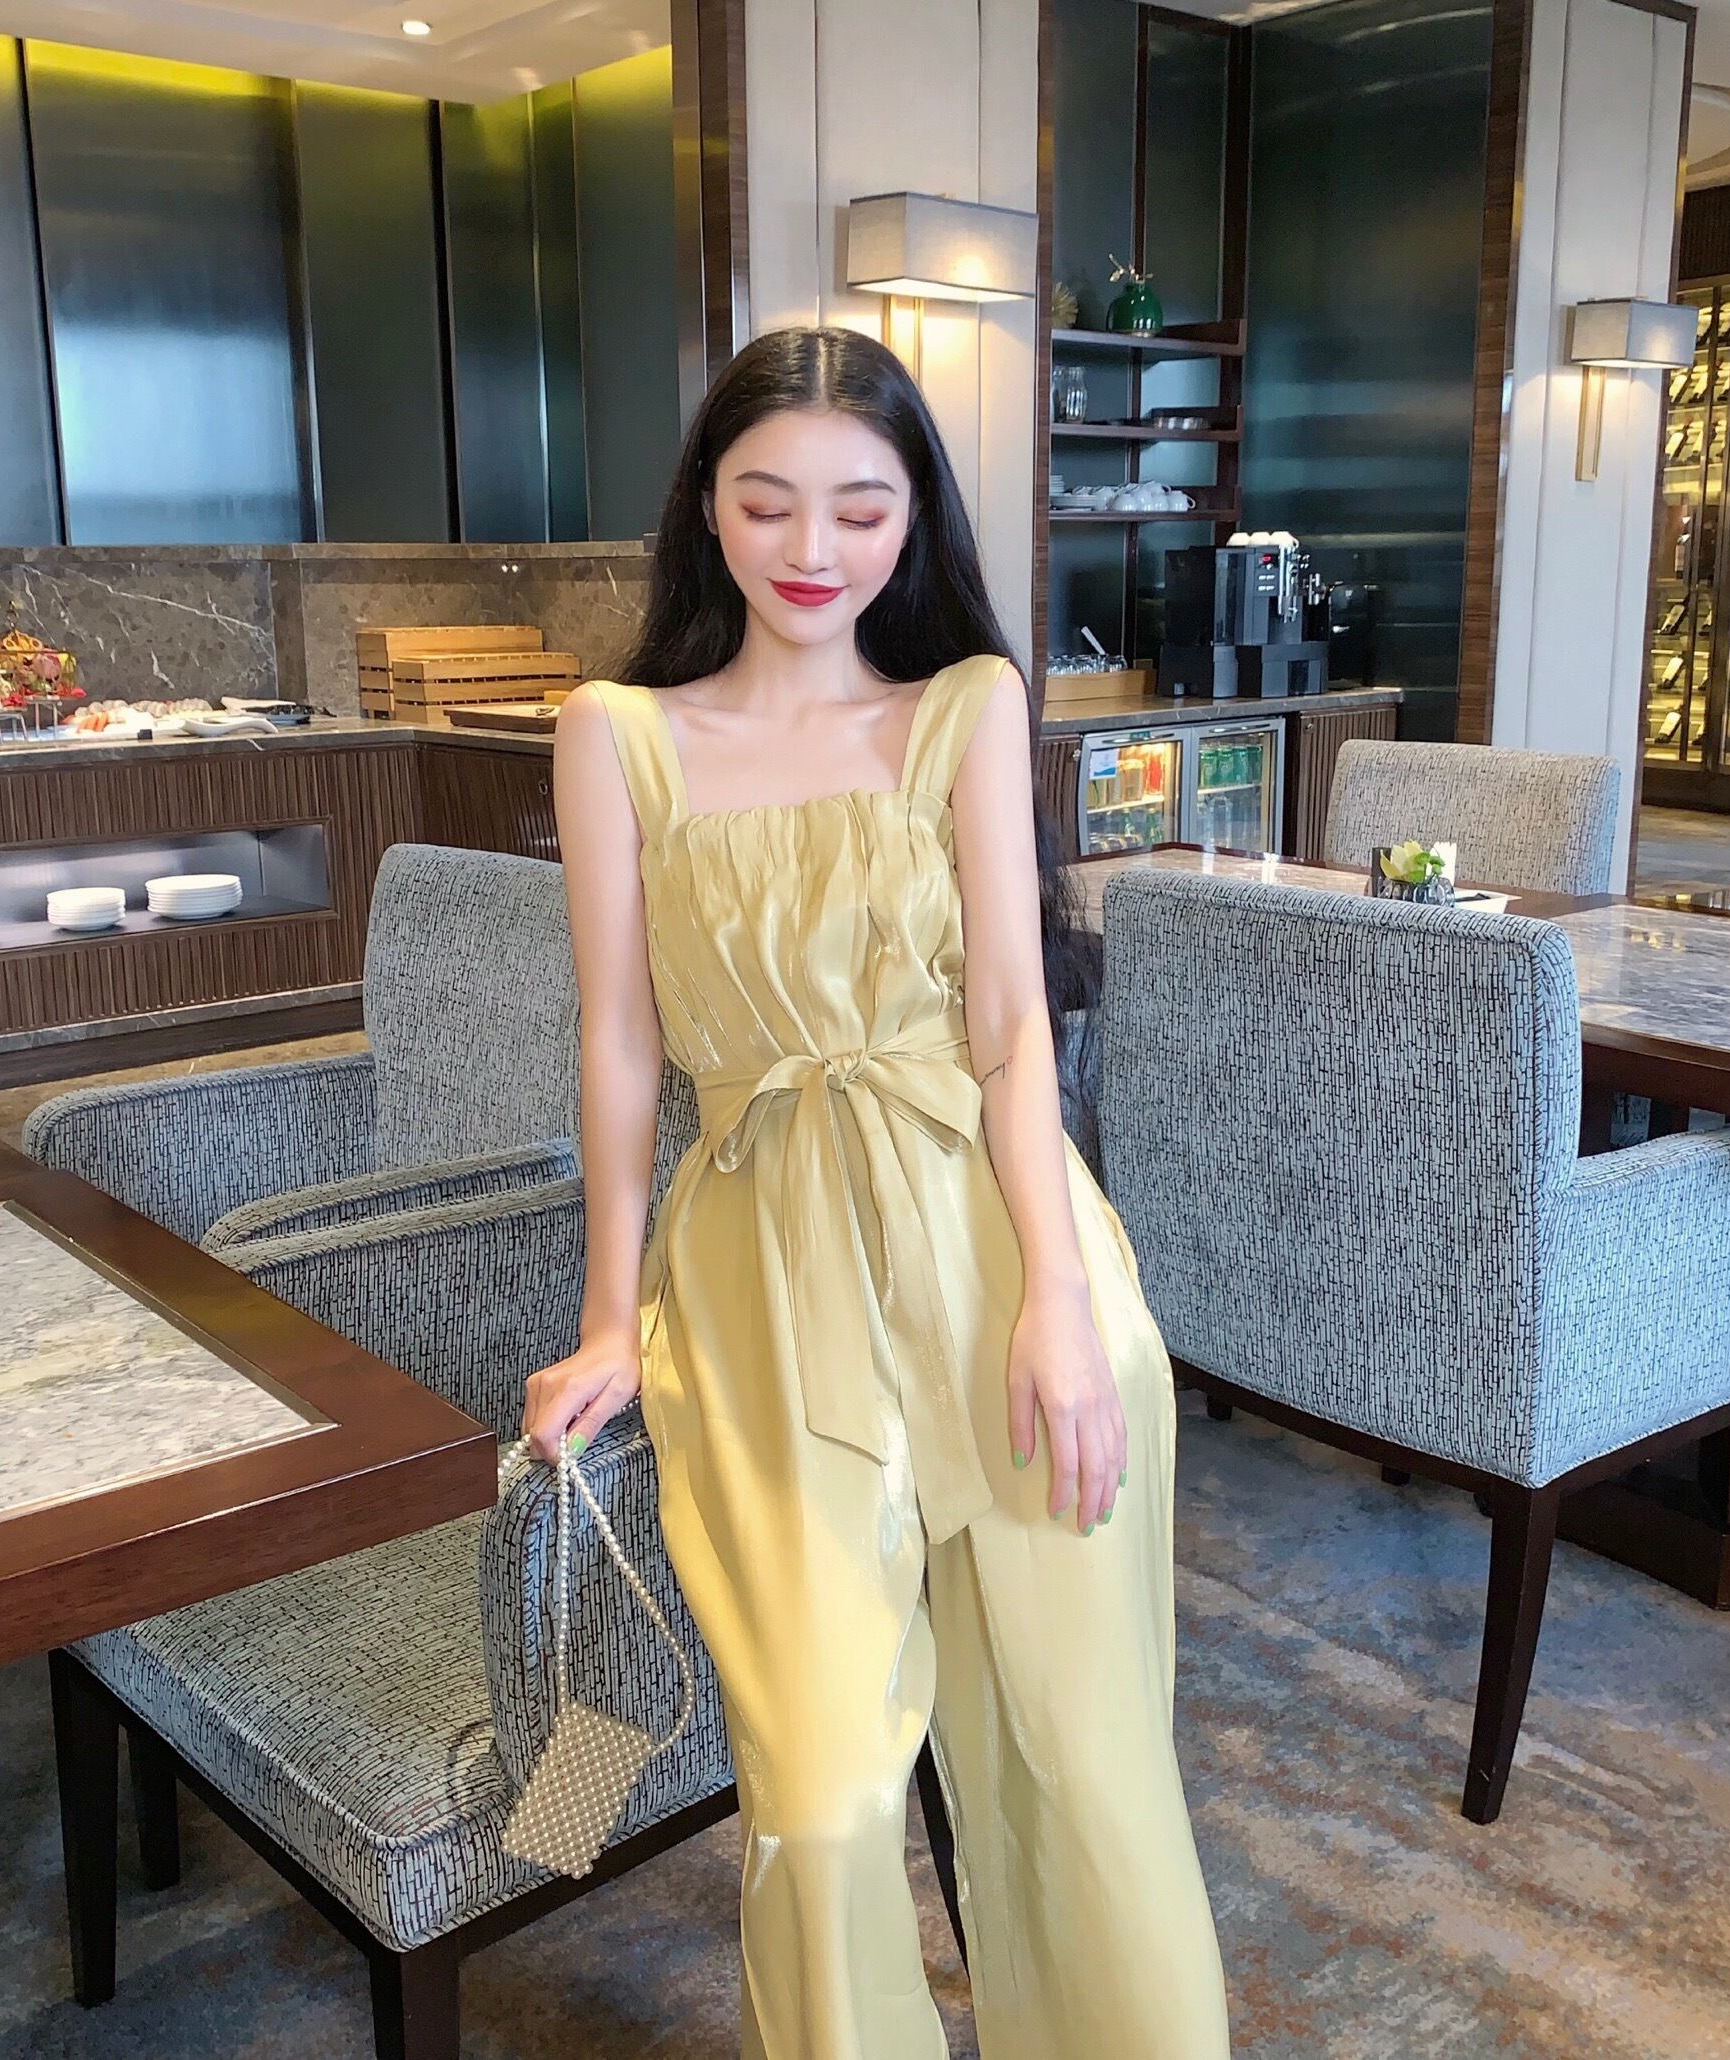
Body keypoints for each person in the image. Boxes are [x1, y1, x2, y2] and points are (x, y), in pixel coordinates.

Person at [529, 324, 1230, 2060]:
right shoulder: (616, 736)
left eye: (860, 506)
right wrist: (609, 1320)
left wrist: (1059, 1300)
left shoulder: (964, 707)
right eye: (766, 500)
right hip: (760, 1275)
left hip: (994, 1250)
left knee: (1085, 1757)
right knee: (826, 1786)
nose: (811, 547)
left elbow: (1010, 1026)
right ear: (706, 508)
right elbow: (620, 1045)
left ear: (914, 519)